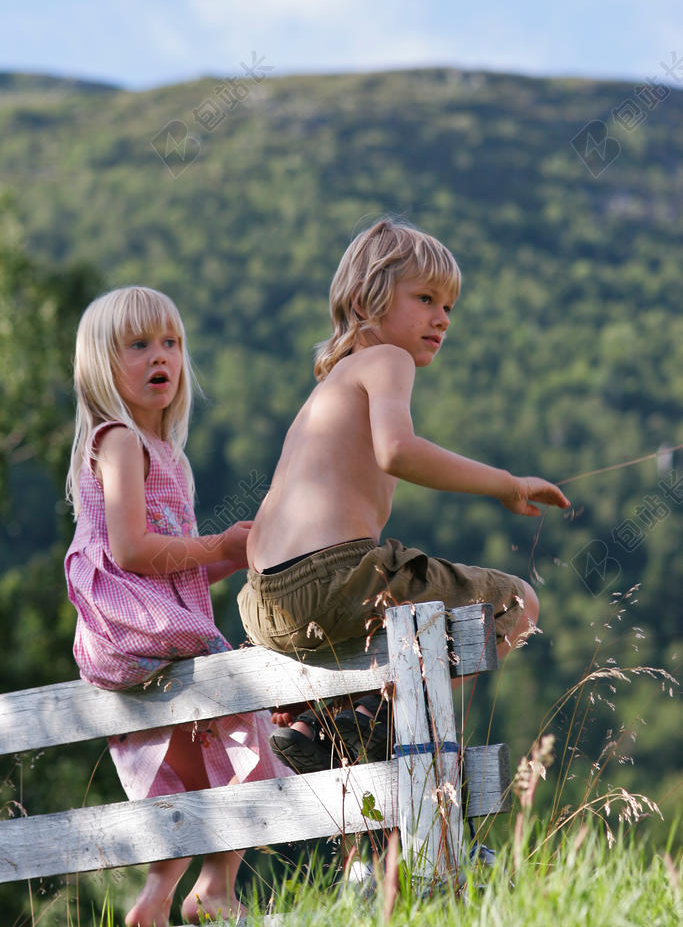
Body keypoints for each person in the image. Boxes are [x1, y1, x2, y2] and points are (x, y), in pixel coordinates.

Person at [238, 218, 570, 773]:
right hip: (336, 578)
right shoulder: (385, 360)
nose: (442, 317)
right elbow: (397, 451)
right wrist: (506, 484)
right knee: (520, 607)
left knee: (380, 627)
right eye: (425, 298)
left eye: (450, 307)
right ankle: (380, 710)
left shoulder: (328, 387)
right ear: (368, 300)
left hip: (263, 604)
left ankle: (322, 724)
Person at [65, 286, 287, 927]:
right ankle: (214, 887)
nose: (161, 356)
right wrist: (216, 541)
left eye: (171, 343)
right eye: (138, 345)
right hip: (128, 622)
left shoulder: (172, 460)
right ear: (102, 367)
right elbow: (132, 550)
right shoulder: (120, 442)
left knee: (191, 765)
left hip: (153, 620)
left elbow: (179, 571)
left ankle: (157, 900)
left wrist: (233, 555)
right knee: (252, 718)